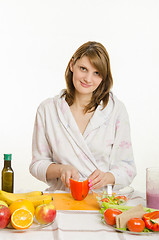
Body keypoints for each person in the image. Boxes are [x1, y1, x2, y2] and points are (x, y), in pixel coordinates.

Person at [29, 41, 136, 191]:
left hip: (102, 202)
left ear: (103, 77)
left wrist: (108, 177)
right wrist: (60, 169)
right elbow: (37, 164)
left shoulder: (116, 110)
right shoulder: (48, 110)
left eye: (96, 73)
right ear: (72, 65)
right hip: (62, 201)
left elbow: (128, 169)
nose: (88, 79)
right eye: (83, 69)